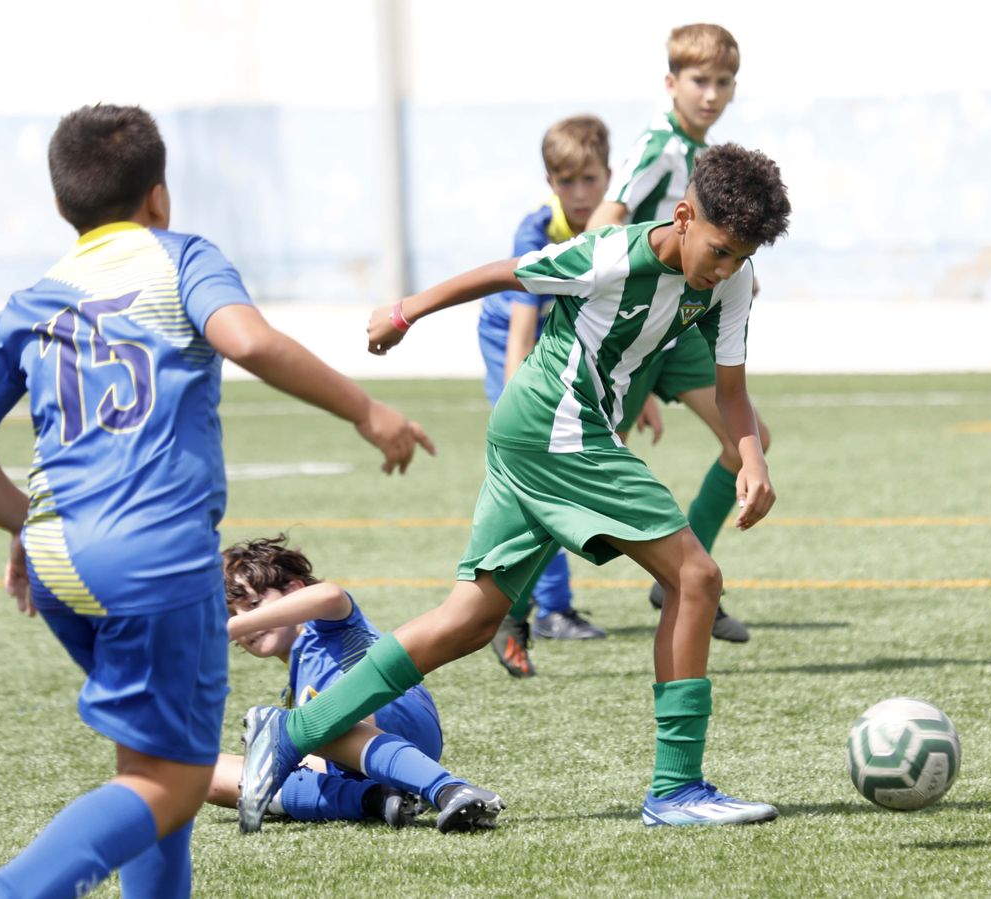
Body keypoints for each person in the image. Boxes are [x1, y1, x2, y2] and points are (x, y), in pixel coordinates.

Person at [0, 104, 434, 899]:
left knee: (152, 763)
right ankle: (5, 893)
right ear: (159, 197)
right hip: (154, 557)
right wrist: (368, 410)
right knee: (176, 780)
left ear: (63, 205)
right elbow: (249, 340)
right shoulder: (181, 257)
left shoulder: (35, 299)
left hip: (60, 560)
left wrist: (27, 523)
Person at [243, 142, 792, 828]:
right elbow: (504, 273)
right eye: (720, 251)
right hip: (554, 426)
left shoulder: (732, 280)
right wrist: (405, 312)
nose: (727, 268)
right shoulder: (609, 256)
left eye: (742, 256)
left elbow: (732, 391)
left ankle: (291, 732)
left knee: (469, 622)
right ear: (684, 217)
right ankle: (677, 788)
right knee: (696, 577)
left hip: (536, 432)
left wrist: (752, 459)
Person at [585, 23, 768, 644]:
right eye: (699, 80)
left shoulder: (704, 157)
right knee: (585, 465)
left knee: (749, 441)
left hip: (678, 326)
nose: (711, 94)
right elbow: (607, 220)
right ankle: (514, 608)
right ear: (671, 82)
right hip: (631, 325)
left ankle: (683, 581)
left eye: (723, 82)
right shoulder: (657, 146)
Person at [207, 536, 502, 833]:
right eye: (231, 613)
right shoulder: (295, 680)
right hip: (361, 759)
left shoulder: (324, 625)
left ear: (294, 589)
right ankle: (377, 800)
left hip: (397, 715)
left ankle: (449, 789)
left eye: (253, 605)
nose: (244, 620)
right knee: (206, 773)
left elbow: (330, 595)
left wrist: (230, 627)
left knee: (313, 723)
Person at [477, 115, 614, 678]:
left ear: (609, 176)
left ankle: (544, 604)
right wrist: (515, 402)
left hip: (564, 339)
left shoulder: (614, 225)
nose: (579, 194)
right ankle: (548, 607)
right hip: (509, 334)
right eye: (566, 182)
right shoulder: (535, 232)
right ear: (550, 183)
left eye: (590, 179)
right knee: (541, 465)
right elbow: (520, 327)